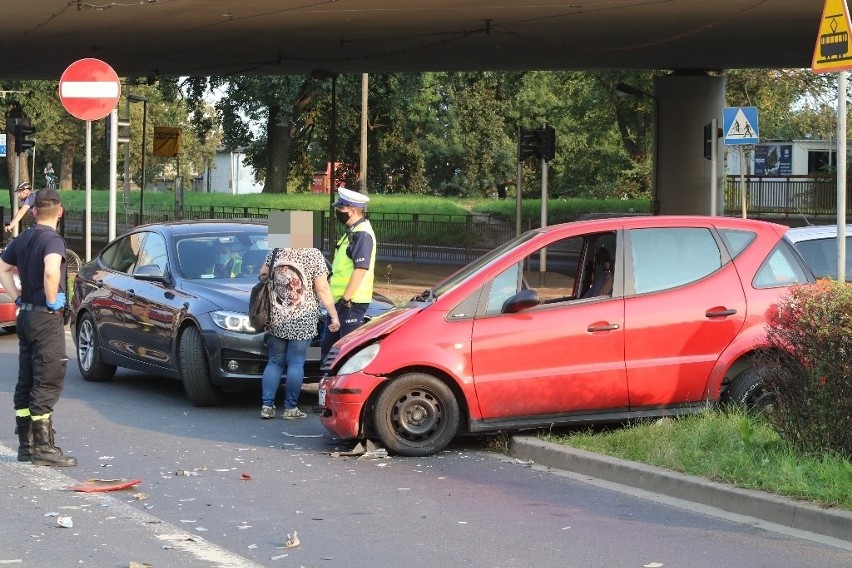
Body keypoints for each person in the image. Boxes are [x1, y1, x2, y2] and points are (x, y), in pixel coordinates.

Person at [0, 188, 76, 467]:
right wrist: (54, 300)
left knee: (27, 378)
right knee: (47, 377)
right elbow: (51, 270)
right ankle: (43, 448)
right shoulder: (53, 240)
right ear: (60, 211)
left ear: (32, 212)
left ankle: (26, 446)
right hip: (46, 317)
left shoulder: (22, 238)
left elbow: (3, 269)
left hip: (26, 316)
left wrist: (17, 297)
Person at [258, 244, 340, 419]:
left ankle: (267, 406)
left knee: (274, 361)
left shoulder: (275, 251)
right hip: (302, 318)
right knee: (296, 362)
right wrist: (333, 315)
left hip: (277, 316)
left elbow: (263, 274)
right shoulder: (313, 254)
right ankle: (290, 408)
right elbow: (322, 288)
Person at [320, 187, 377, 364]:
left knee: (345, 355)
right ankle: (326, 388)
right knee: (329, 353)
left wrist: (345, 299)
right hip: (339, 302)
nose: (337, 211)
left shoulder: (362, 234)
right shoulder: (352, 232)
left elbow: (361, 269)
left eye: (341, 208)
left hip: (350, 303)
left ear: (351, 211)